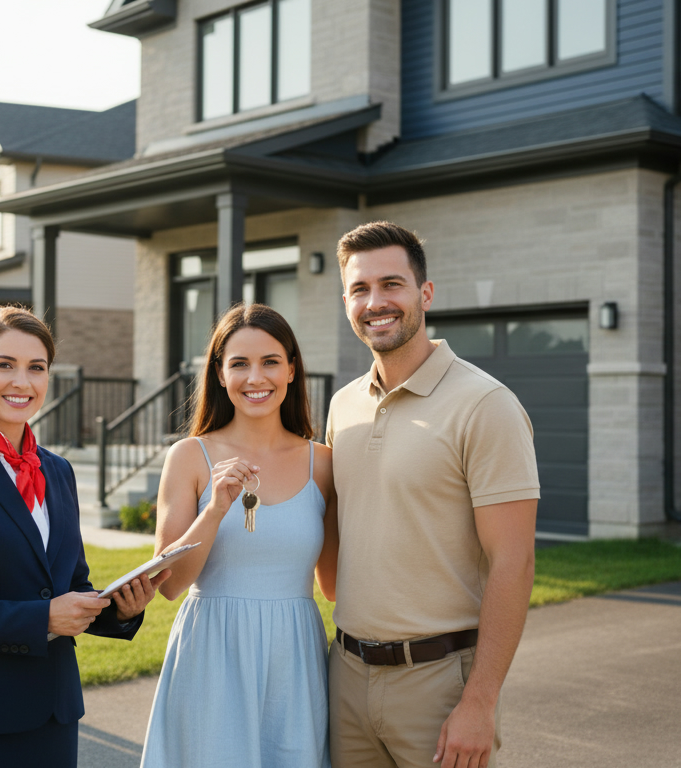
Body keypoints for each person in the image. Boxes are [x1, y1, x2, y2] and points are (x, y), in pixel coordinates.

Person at [0, 305, 168, 768]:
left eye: (36, 368)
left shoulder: (58, 471)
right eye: (5, 365)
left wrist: (119, 609)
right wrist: (42, 618)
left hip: (53, 718)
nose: (22, 382)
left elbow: (70, 584)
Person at [325, 221, 539, 768]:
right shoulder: (343, 405)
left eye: (391, 284)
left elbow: (513, 561)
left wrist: (480, 701)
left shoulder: (484, 404)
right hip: (344, 676)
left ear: (425, 293)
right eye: (359, 289)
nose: (376, 302)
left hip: (439, 683)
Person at [140, 303, 339, 768]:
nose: (256, 377)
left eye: (270, 361)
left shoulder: (324, 463)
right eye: (239, 364)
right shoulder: (189, 456)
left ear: (291, 370)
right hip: (212, 650)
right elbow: (170, 585)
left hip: (295, 654)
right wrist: (215, 507)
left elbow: (332, 584)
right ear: (219, 373)